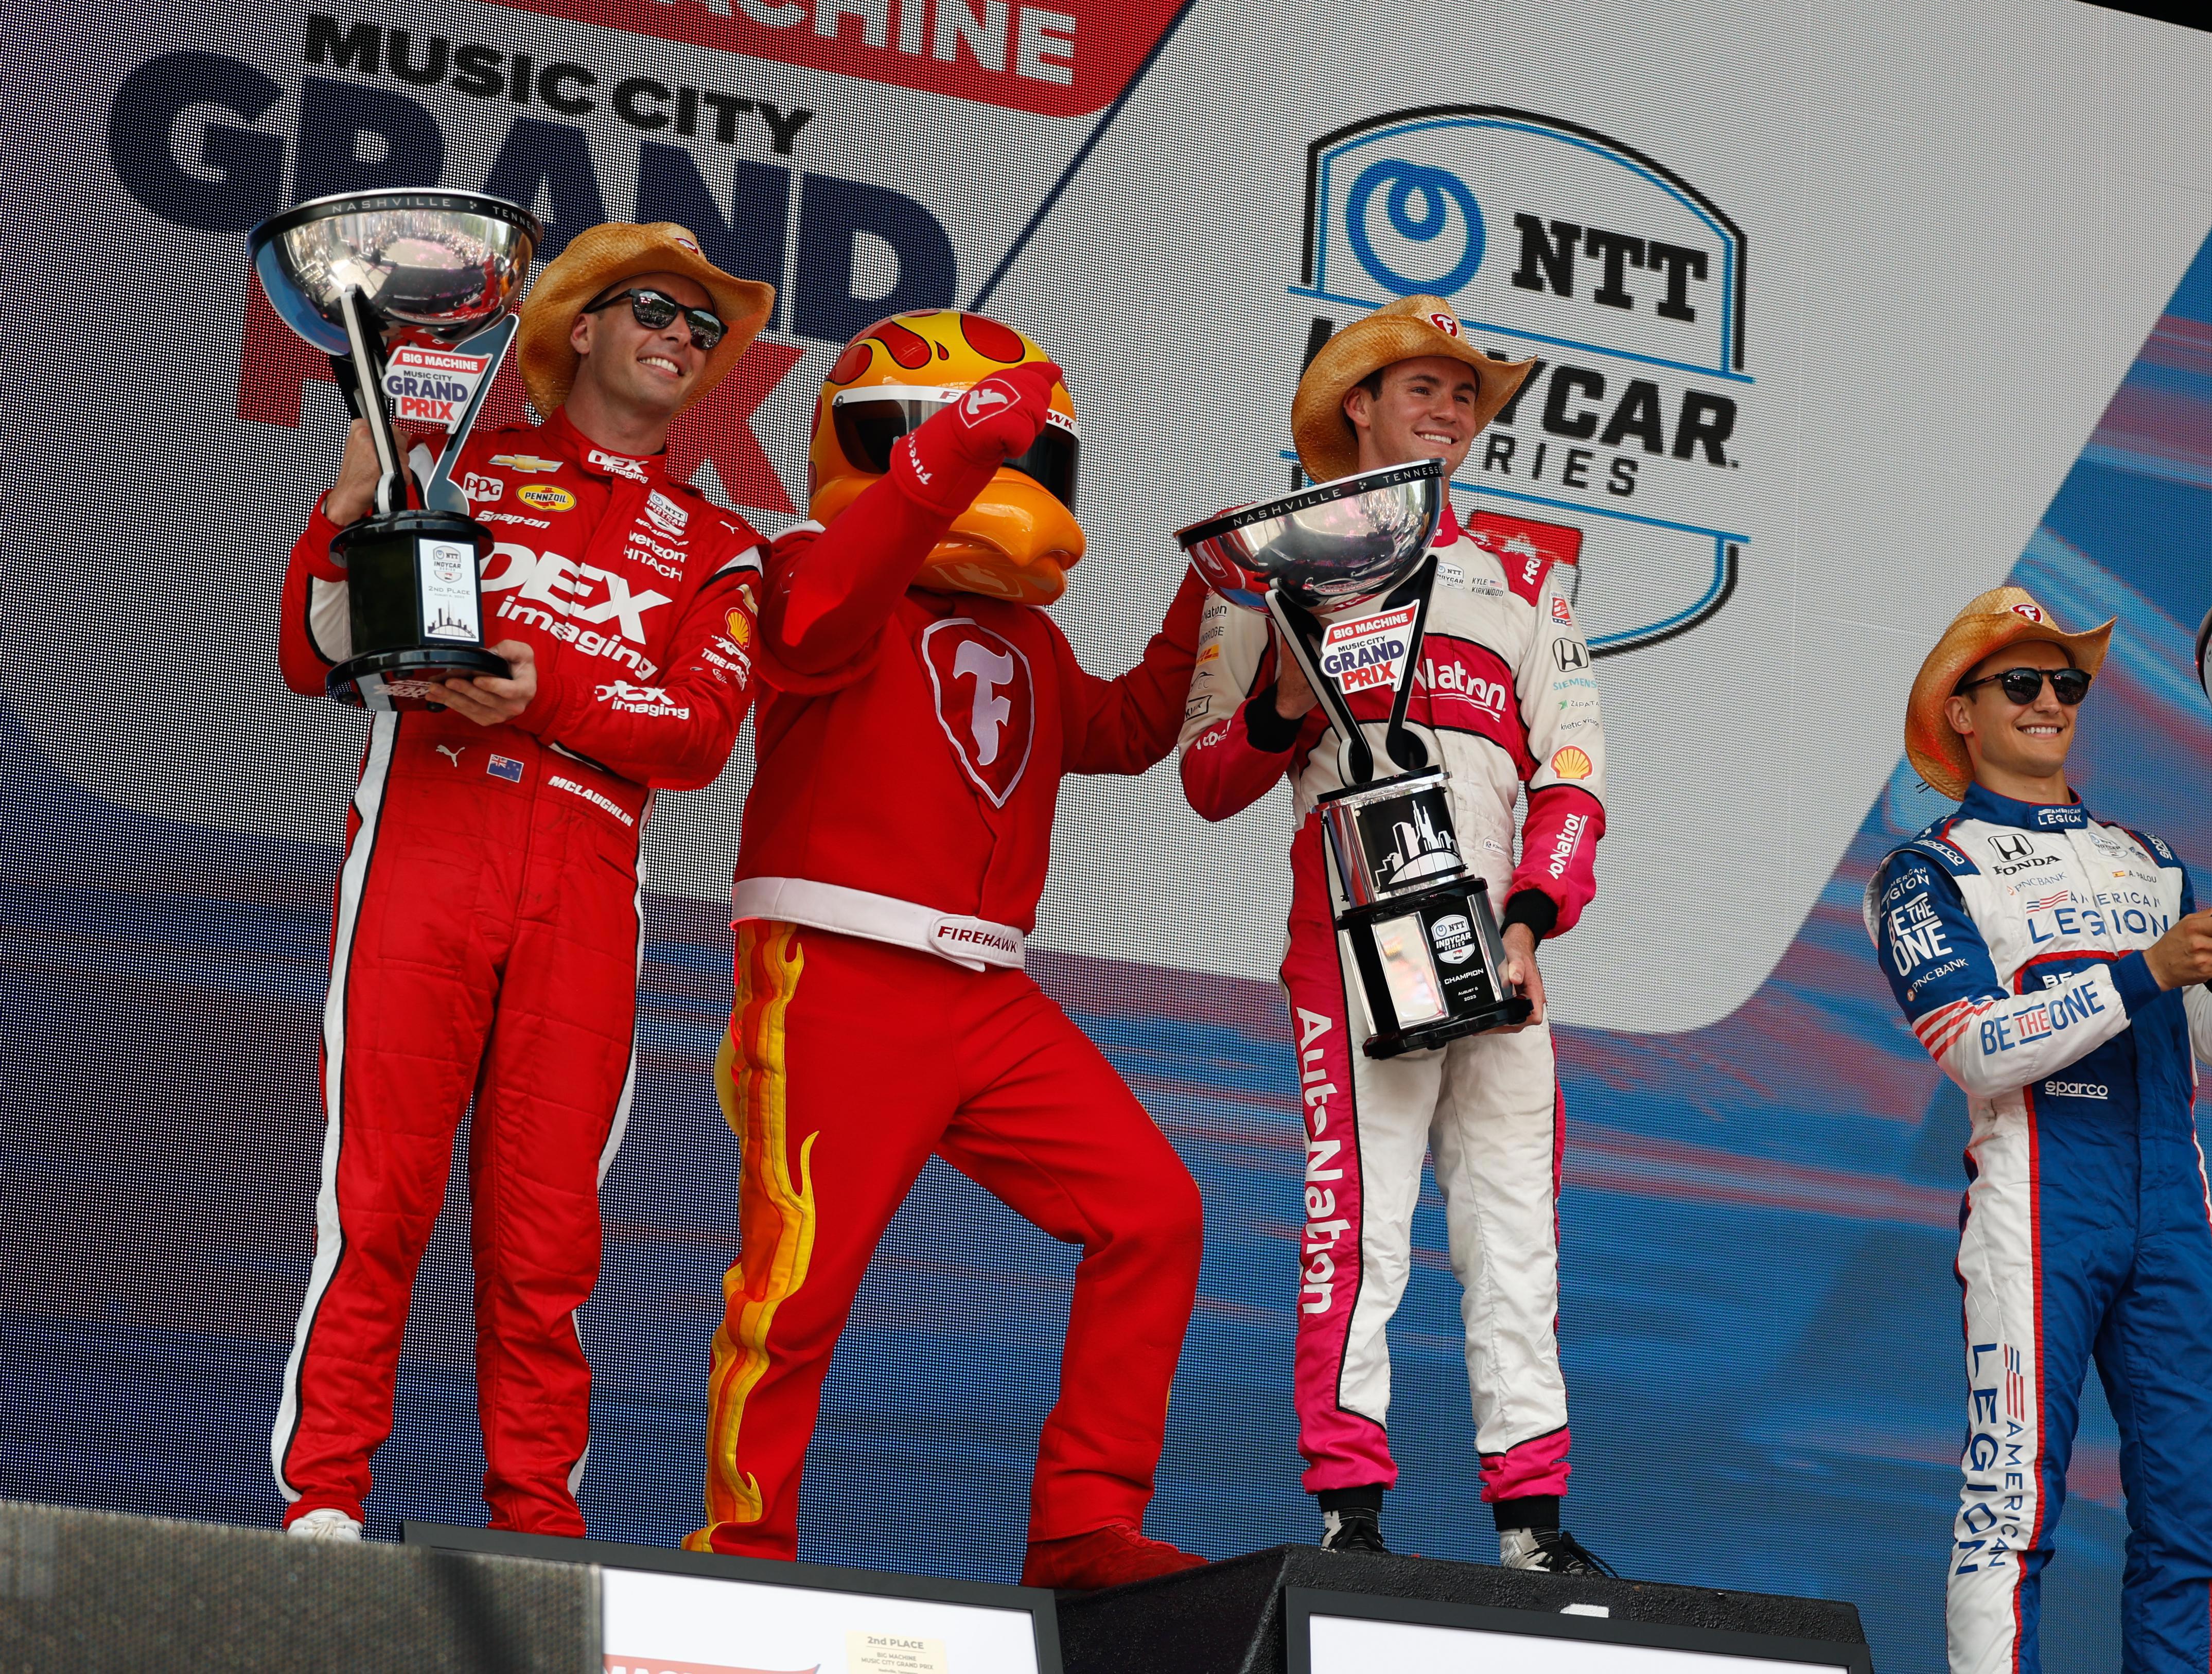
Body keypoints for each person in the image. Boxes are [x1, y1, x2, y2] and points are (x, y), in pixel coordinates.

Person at [681, 308, 1210, 1591]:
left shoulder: (1028, 632)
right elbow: (808, 635)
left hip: (989, 990)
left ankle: (1084, 1527)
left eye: (1021, 454)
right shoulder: (804, 561)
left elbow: (1133, 727)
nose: (1000, 477)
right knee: (794, 1286)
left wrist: (1217, 579)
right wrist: (946, 462)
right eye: (974, 445)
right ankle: (740, 1552)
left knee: (1153, 1212)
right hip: (836, 971)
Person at [271, 224, 774, 1541]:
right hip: (428, 851)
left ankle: (536, 1528)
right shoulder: (462, 472)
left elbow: (699, 733)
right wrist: (350, 509)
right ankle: (324, 1502)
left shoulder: (721, 543)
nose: (680, 337)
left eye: (704, 327)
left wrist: (547, 689)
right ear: (583, 329)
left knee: (545, 1247)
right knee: (377, 1200)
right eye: (654, 308)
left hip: (588, 884)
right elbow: (317, 651)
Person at [1179, 296, 1611, 1576]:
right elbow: (1207, 776)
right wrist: (1273, 699)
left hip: (1504, 949)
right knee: (1356, 1224)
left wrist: (1531, 917)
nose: (1449, 408)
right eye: (1421, 384)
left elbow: (1576, 775)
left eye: (1467, 393)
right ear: (1354, 403)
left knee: (1514, 1229)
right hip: (1350, 944)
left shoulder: (1528, 577)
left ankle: (1530, 1523)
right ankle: (1348, 1513)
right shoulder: (1267, 569)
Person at [1866, 585, 2212, 1674]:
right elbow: (1975, 1047)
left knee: (2192, 1518)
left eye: (2065, 681)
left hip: (2171, 1194)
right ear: (1959, 711)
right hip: (2038, 1196)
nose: (2049, 699)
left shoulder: (2149, 861)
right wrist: (2147, 967)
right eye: (2018, 680)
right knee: (2009, 1508)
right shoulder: (1927, 872)